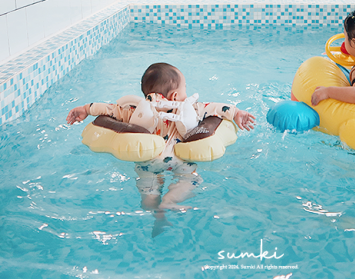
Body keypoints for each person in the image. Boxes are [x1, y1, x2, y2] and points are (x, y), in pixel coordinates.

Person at [66, 62, 255, 235]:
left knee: (147, 187)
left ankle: (152, 208)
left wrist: (85, 109)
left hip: (149, 160)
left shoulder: (136, 110)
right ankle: (169, 203)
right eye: (184, 88)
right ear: (175, 96)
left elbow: (109, 109)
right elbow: (217, 108)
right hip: (180, 159)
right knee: (188, 179)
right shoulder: (192, 108)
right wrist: (237, 112)